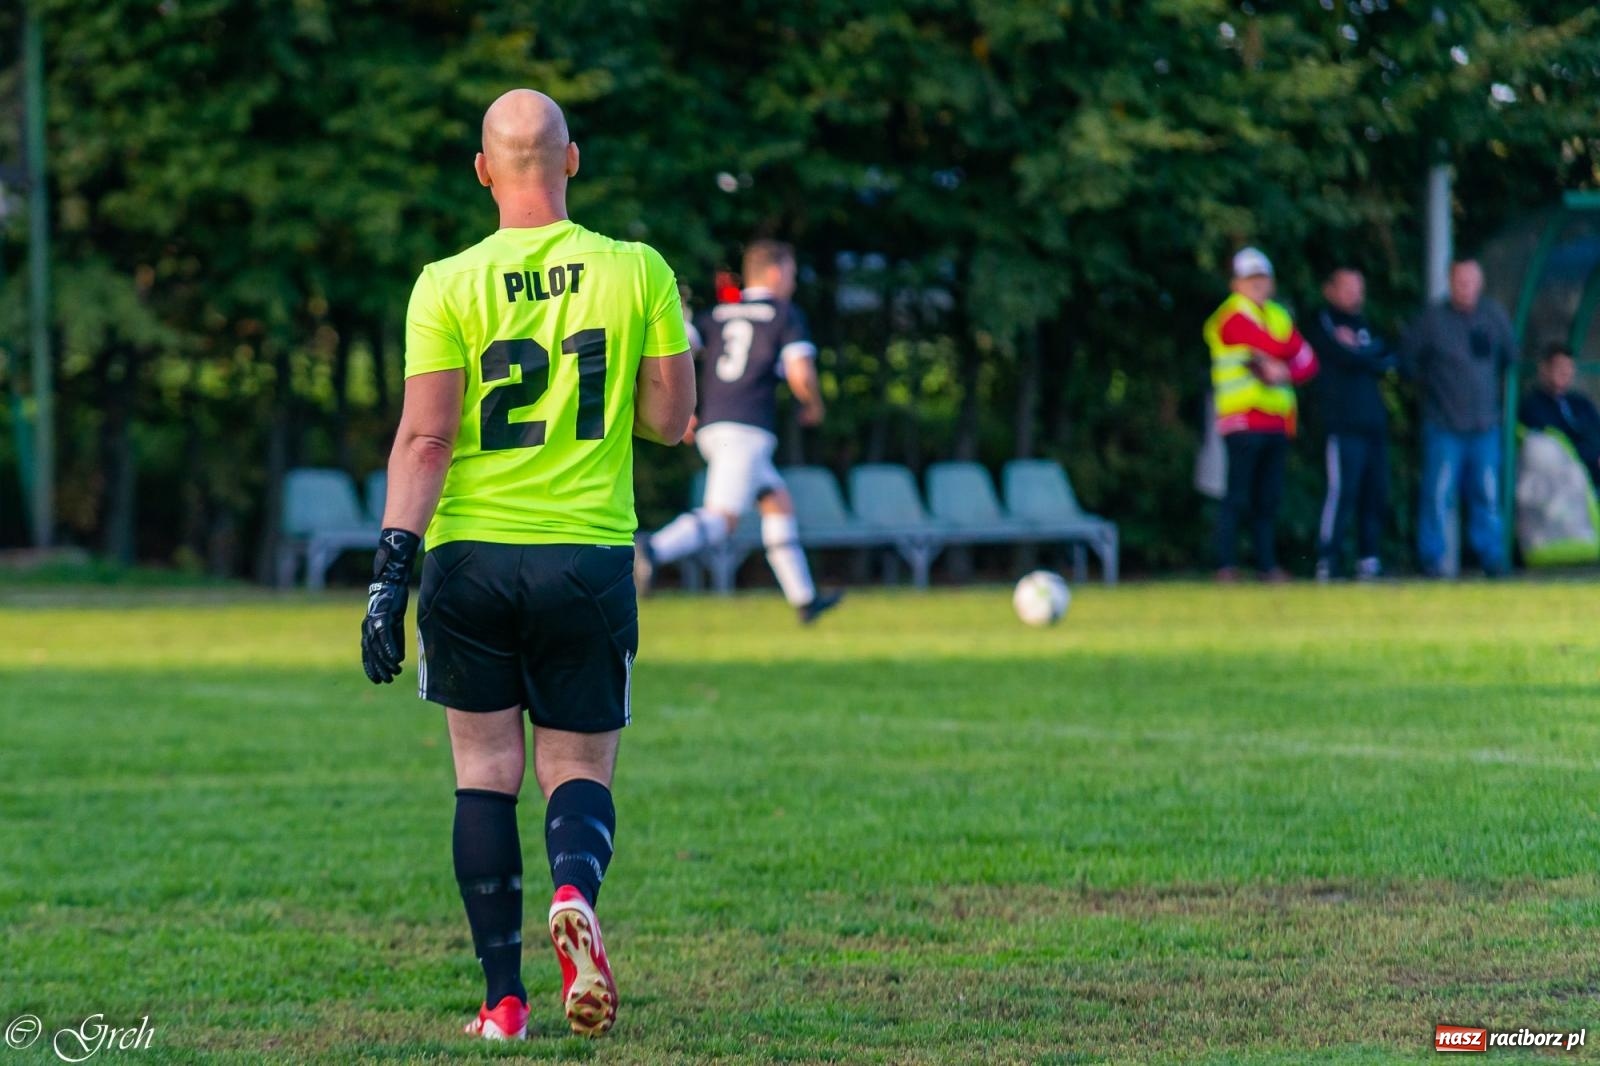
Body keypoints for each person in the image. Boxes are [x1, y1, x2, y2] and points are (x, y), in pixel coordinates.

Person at [359, 89, 697, 1041]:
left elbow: (424, 442)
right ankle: (574, 892)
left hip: (470, 560)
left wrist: (392, 570)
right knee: (578, 764)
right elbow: (671, 422)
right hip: (585, 559)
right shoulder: (638, 270)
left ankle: (503, 1004)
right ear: (572, 160)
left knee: (485, 771)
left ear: (482, 170)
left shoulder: (446, 282)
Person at [634, 240, 843, 622]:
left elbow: (671, 349)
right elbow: (800, 373)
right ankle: (652, 549)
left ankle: (805, 600)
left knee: (776, 502)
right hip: (747, 429)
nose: (792, 283)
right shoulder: (784, 314)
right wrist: (813, 403)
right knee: (721, 520)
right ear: (777, 271)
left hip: (718, 426)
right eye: (792, 274)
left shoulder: (718, 314)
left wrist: (675, 408)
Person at [1202, 247, 1319, 581]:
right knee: (1237, 495)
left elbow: (1310, 362)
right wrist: (1284, 359)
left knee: (1268, 498)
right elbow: (1280, 348)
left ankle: (1266, 566)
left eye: (1262, 278)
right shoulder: (1231, 316)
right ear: (1236, 284)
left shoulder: (1278, 316)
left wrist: (1282, 370)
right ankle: (1225, 565)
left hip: (1276, 422)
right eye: (1250, 278)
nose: (1257, 285)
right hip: (1241, 419)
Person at [1401, 258, 1516, 577]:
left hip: (1484, 426)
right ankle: (1431, 561)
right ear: (1450, 282)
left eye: (1471, 281)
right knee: (1437, 496)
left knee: (1487, 496)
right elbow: (1408, 362)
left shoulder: (1493, 316)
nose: (1465, 287)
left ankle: (1492, 560)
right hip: (1443, 425)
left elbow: (1510, 357)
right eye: (1459, 281)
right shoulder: (1431, 320)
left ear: (1480, 284)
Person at [1304, 267, 1395, 581]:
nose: (1354, 294)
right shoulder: (1323, 322)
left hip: (1373, 425)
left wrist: (1362, 354)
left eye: (1358, 288)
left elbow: (1385, 355)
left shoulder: (1365, 325)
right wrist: (1363, 355)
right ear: (1330, 290)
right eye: (1346, 287)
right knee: (1342, 492)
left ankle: (1368, 561)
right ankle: (1327, 561)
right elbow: (1344, 355)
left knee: (1376, 493)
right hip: (1342, 424)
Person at [1519, 342, 1600, 492]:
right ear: (1544, 369)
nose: (1565, 373)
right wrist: (1591, 457)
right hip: (1563, 478)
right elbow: (1557, 442)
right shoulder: (1533, 406)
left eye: (1569, 367)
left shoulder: (1580, 403)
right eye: (1560, 367)